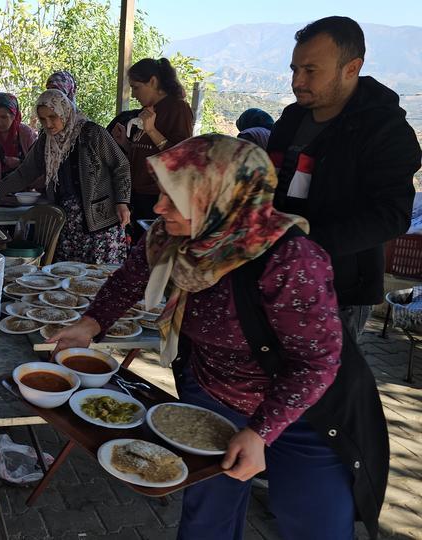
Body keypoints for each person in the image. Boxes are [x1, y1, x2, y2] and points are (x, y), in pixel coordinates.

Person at [50, 134, 388, 540]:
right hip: (213, 394)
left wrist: (261, 431)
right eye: (161, 194)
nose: (158, 208)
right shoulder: (170, 237)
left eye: (173, 198)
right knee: (207, 518)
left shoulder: (288, 258)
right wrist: (91, 323)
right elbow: (128, 280)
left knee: (313, 523)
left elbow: (317, 363)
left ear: (221, 199)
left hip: (304, 413)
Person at [268, 16, 422, 338]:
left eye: (311, 70)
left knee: (324, 386)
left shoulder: (385, 131)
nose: (297, 81)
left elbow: (391, 217)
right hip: (274, 274)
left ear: (352, 68)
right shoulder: (291, 118)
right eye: (294, 69)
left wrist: (306, 244)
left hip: (339, 290)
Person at [0, 89, 131, 264]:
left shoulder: (92, 133)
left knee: (98, 279)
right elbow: (25, 173)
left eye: (52, 117)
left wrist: (122, 202)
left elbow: (121, 166)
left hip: (100, 222)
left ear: (64, 111)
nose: (48, 124)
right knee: (68, 276)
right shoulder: (46, 140)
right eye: (42, 119)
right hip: (67, 222)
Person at [111, 57, 194, 238]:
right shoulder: (149, 110)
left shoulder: (178, 109)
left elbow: (182, 157)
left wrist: (152, 130)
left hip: (158, 195)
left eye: (136, 87)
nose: (133, 95)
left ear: (153, 81)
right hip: (138, 192)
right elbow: (146, 150)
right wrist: (126, 144)